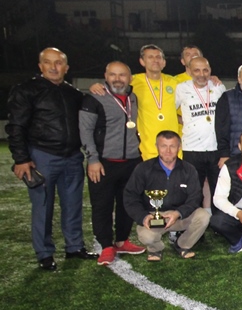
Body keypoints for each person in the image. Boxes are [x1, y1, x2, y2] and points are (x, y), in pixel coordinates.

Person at [7, 48, 96, 270]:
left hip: (72, 157)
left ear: (66, 67)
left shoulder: (74, 94)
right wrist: (21, 158)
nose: (53, 67)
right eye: (48, 62)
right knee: (43, 207)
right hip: (42, 156)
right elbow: (16, 126)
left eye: (58, 63)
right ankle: (45, 253)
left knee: (73, 205)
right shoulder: (27, 90)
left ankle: (74, 247)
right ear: (40, 66)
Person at [79, 61, 146, 265]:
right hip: (103, 163)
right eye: (113, 75)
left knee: (127, 203)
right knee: (102, 205)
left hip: (131, 162)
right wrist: (93, 159)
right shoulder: (94, 98)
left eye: (122, 75)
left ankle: (122, 240)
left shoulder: (133, 97)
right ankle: (106, 246)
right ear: (106, 76)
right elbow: (85, 131)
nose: (117, 79)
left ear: (130, 78)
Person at [123, 131, 210, 262]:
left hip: (180, 216)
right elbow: (130, 197)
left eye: (172, 146)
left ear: (179, 147)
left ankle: (183, 245)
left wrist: (178, 213)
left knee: (203, 216)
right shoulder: (143, 168)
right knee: (147, 237)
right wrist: (143, 216)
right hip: (153, 217)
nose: (168, 151)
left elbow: (195, 197)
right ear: (156, 146)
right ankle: (155, 249)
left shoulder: (189, 169)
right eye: (163, 146)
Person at [175, 56, 226, 200]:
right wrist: (183, 120)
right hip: (191, 148)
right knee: (193, 192)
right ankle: (195, 215)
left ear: (210, 70)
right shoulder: (181, 88)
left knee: (219, 191)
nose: (202, 74)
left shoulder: (218, 87)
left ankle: (216, 215)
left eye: (205, 70)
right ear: (190, 71)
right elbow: (169, 111)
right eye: (197, 70)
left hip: (216, 148)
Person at [133, 45, 182, 159]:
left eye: (158, 57)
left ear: (164, 62)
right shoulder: (133, 82)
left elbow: (196, 83)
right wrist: (98, 86)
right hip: (147, 147)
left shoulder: (175, 82)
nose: (155, 60)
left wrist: (212, 79)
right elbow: (114, 85)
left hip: (173, 147)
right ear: (142, 61)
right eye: (150, 57)